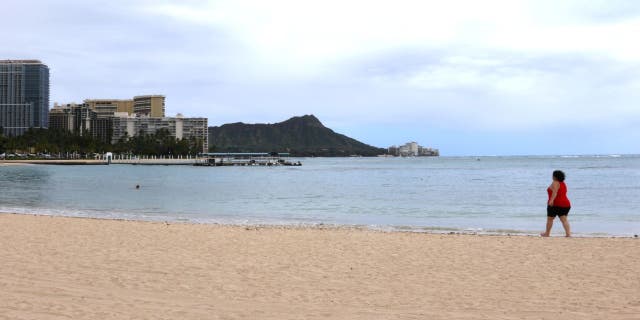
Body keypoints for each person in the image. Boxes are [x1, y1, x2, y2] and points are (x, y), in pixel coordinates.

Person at [541, 170, 571, 237]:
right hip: (566, 204)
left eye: (553, 175)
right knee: (564, 219)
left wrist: (551, 201)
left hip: (555, 204)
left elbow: (555, 192)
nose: (552, 176)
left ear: (555, 176)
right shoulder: (563, 183)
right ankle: (568, 234)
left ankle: (547, 234)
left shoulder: (555, 182)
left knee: (550, 219)